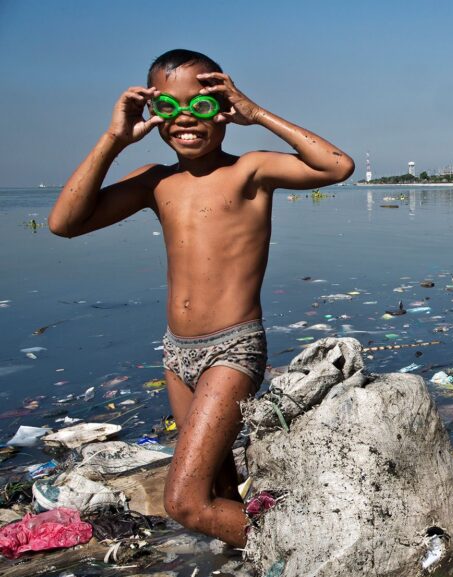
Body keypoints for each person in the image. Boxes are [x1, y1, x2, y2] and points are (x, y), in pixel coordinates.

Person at [48, 49, 354, 547]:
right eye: (169, 107)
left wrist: (256, 112)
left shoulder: (249, 171)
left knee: (185, 502)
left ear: (223, 109)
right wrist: (113, 139)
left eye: (202, 105)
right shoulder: (155, 181)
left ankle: (312, 548)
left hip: (232, 349)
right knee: (216, 482)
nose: (186, 118)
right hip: (177, 354)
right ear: (152, 113)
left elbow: (337, 166)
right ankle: (251, 569)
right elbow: (65, 223)